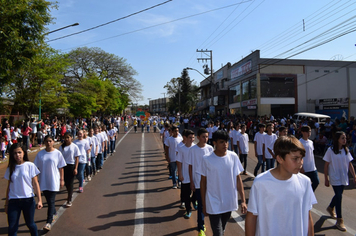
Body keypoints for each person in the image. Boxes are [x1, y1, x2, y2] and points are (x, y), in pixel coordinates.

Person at [245, 135, 317, 236]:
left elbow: (308, 216)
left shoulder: (305, 182)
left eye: (301, 158)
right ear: (279, 159)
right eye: (295, 158)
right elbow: (252, 216)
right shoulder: (261, 182)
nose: (300, 162)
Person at [199, 130, 247, 236]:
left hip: (228, 202)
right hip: (213, 201)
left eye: (226, 141)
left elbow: (238, 179)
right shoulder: (206, 159)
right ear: (214, 143)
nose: (225, 144)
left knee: (222, 229)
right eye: (221, 142)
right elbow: (203, 183)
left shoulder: (233, 156)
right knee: (218, 233)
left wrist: (243, 200)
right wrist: (204, 204)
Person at [4, 143, 43, 236]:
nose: (17, 155)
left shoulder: (30, 165)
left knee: (30, 224)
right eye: (15, 153)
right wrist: (6, 203)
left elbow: (35, 183)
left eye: (19, 152)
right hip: (13, 201)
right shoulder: (10, 168)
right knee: (12, 227)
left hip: (28, 200)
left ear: (24, 153)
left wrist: (40, 200)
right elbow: (9, 187)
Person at [323, 131, 356, 231]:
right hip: (334, 177)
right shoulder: (330, 150)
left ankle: (330, 207)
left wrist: (354, 175)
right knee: (339, 196)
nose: (345, 140)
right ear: (337, 139)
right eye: (343, 138)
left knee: (338, 195)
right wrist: (326, 178)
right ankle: (339, 220)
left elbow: (350, 164)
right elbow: (326, 165)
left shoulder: (346, 150)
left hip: (343, 177)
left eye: (345, 138)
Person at [34, 135, 66, 231]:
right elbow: (35, 169)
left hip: (54, 180)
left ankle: (48, 222)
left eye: (50, 141)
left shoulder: (57, 153)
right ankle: (54, 213)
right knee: (49, 201)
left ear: (53, 142)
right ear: (44, 142)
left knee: (51, 201)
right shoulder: (40, 154)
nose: (48, 143)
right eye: (47, 141)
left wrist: (62, 179)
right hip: (44, 181)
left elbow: (61, 167)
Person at [187, 128, 214, 235]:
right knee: (202, 205)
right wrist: (191, 182)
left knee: (208, 204)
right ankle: (201, 227)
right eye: (203, 136)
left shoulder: (210, 148)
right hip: (198, 181)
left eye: (207, 136)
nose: (205, 139)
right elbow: (190, 166)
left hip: (209, 182)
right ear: (198, 137)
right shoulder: (192, 150)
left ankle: (192, 199)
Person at [177, 129, 196, 219]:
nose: (192, 139)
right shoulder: (182, 149)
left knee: (196, 193)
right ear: (185, 138)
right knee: (186, 194)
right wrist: (180, 174)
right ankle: (188, 210)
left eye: (193, 137)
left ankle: (194, 200)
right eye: (190, 138)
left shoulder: (196, 148)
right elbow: (179, 162)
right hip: (185, 176)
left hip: (196, 176)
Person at [58, 132, 80, 206]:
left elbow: (77, 158)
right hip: (63, 166)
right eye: (65, 138)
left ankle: (69, 200)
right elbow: (59, 158)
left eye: (68, 137)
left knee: (70, 183)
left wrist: (76, 168)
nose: (67, 139)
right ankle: (69, 194)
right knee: (66, 183)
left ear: (71, 137)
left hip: (71, 166)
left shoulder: (74, 147)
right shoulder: (61, 147)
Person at [300, 126, 319, 192]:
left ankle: (309, 194)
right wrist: (301, 167)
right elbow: (299, 156)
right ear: (302, 132)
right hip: (305, 168)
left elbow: (311, 154)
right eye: (307, 132)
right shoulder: (300, 142)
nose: (309, 133)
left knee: (316, 182)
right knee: (304, 185)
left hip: (312, 167)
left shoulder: (311, 142)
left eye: (310, 131)